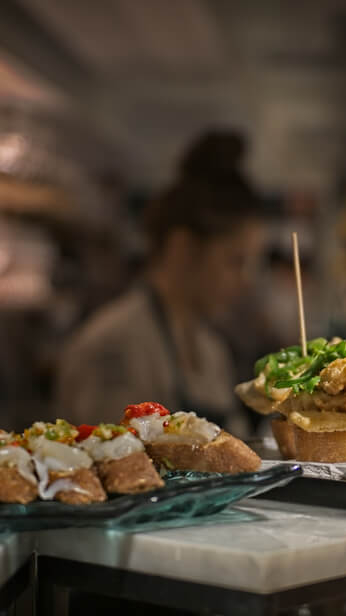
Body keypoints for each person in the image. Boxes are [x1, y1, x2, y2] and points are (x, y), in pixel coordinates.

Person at [57, 130, 265, 435]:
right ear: (183, 248)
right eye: (235, 261)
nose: (246, 281)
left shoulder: (211, 350)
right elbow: (112, 456)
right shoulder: (114, 346)